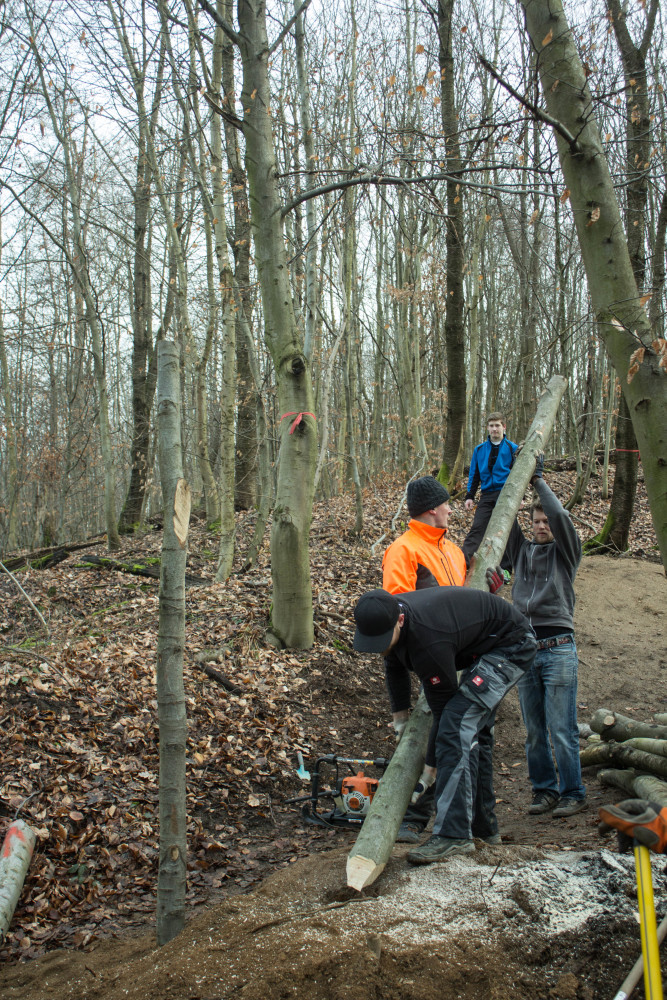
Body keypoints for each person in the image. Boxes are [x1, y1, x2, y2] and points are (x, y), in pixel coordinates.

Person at [353, 586, 536, 864]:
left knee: (457, 724)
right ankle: (483, 829)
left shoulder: (429, 641)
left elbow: (443, 711)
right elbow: (392, 661)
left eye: (381, 639)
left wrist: (430, 767)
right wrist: (399, 718)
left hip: (512, 646)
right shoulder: (390, 613)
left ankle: (454, 835)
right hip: (483, 647)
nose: (379, 646)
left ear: (399, 621)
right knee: (475, 732)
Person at [381, 475, 467, 843]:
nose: (451, 508)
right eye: (446, 503)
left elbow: (461, 596)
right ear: (433, 508)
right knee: (431, 729)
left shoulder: (453, 549)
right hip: (424, 653)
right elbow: (400, 610)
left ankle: (462, 817)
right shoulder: (404, 549)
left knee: (461, 731)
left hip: (459, 651)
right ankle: (414, 814)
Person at [506, 463, 586, 818]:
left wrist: (537, 481)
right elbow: (503, 519)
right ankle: (544, 791)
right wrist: (507, 480)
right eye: (536, 521)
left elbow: (561, 516)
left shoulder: (565, 554)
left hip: (559, 652)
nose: (542, 526)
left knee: (561, 728)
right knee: (535, 731)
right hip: (526, 652)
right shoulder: (521, 553)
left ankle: (573, 792)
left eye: (546, 521)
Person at [463, 412, 518, 572]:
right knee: (478, 528)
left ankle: (506, 569)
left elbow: (517, 475)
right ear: (488, 428)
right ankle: (462, 564)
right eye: (491, 426)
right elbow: (475, 474)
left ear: (504, 427)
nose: (494, 429)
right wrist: (469, 496)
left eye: (497, 425)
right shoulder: (479, 450)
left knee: (507, 530)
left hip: (505, 494)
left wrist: (519, 496)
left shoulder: (512, 448)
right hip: (486, 495)